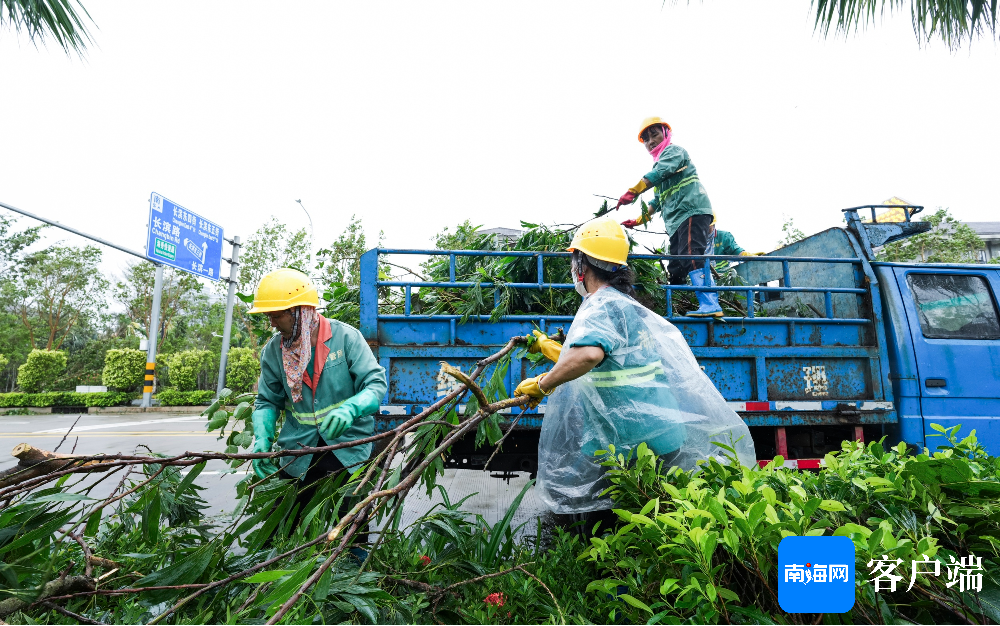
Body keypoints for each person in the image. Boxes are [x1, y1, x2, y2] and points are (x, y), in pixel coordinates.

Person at [515, 217, 756, 521]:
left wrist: (543, 384)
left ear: (581, 265)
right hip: (659, 433)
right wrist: (549, 348)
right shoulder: (624, 305)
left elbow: (589, 355)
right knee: (657, 518)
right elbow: (609, 361)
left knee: (611, 524)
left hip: (627, 440)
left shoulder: (600, 306)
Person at [247, 268, 387, 537]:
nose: (272, 324)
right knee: (284, 528)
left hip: (348, 449)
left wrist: (351, 408)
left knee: (351, 527)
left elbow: (375, 384)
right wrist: (262, 439)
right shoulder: (274, 352)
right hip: (300, 452)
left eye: (276, 315)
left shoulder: (346, 338)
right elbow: (266, 401)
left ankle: (351, 571)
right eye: (269, 316)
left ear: (299, 311)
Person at [615, 116, 722, 317]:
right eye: (646, 139)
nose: (650, 142)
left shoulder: (674, 152)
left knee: (690, 254)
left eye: (654, 135)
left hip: (692, 210)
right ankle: (677, 305)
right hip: (676, 222)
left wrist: (634, 190)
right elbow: (656, 201)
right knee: (676, 265)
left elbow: (661, 172)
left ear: (665, 133)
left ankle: (711, 303)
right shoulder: (658, 165)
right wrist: (638, 220)